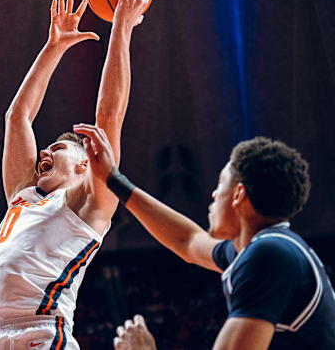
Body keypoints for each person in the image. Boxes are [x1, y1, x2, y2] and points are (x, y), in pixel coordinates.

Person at [0, 0, 154, 350]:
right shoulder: (23, 198)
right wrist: (53, 47)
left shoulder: (88, 205)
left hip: (41, 333)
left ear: (85, 164)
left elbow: (109, 116)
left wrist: (121, 26)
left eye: (57, 148)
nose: (45, 151)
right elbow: (18, 116)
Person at [73, 123, 335, 349]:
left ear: (239, 194)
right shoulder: (268, 249)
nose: (213, 195)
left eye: (221, 183)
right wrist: (113, 179)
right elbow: (186, 241)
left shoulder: (270, 255)